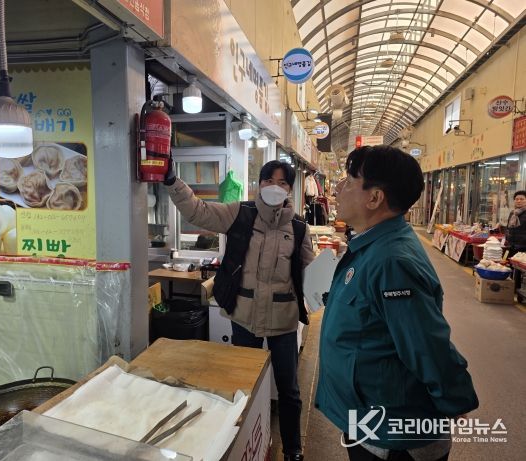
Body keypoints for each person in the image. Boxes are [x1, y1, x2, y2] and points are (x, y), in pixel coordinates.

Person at [315, 145, 478, 461]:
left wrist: (455, 398)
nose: (338, 187)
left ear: (375, 198)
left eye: (350, 180)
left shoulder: (391, 261)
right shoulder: (372, 247)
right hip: (369, 417)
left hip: (393, 436)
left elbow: (426, 342)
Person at [164, 159, 314, 461]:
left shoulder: (299, 228)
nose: (274, 187)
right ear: (259, 184)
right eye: (268, 180)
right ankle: (243, 442)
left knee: (289, 390)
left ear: (290, 189)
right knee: (243, 385)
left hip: (283, 320)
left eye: (282, 183)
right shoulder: (240, 213)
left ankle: (293, 449)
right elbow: (198, 211)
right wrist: (172, 181)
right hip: (244, 316)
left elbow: (310, 274)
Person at [505, 190, 526, 258]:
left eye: (521, 199)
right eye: (516, 199)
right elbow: (508, 228)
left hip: (523, 249)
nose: (519, 201)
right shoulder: (513, 213)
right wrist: (507, 238)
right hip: (511, 247)